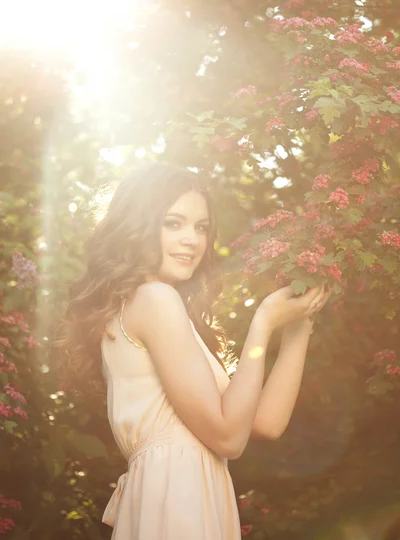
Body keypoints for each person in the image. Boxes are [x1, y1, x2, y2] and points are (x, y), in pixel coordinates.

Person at [57, 162, 331, 540]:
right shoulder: (154, 299)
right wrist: (263, 321)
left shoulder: (152, 305)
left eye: (201, 227)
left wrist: (300, 325)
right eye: (174, 223)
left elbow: (265, 422)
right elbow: (229, 440)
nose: (192, 239)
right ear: (137, 227)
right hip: (176, 492)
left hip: (182, 489)